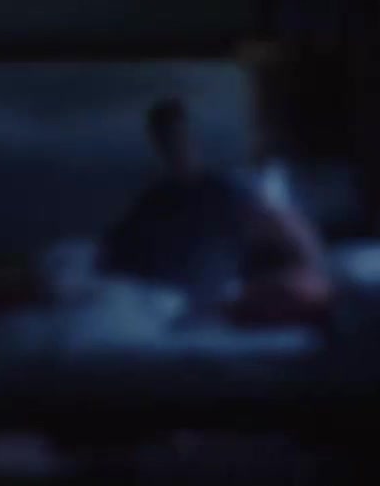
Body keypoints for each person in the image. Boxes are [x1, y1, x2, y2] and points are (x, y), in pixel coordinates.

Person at [98, 97, 331, 324]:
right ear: (158, 144)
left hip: (216, 291)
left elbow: (289, 233)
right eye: (167, 140)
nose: (176, 147)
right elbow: (114, 254)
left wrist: (308, 268)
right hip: (163, 297)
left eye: (180, 137)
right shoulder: (153, 201)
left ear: (193, 139)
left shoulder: (226, 192)